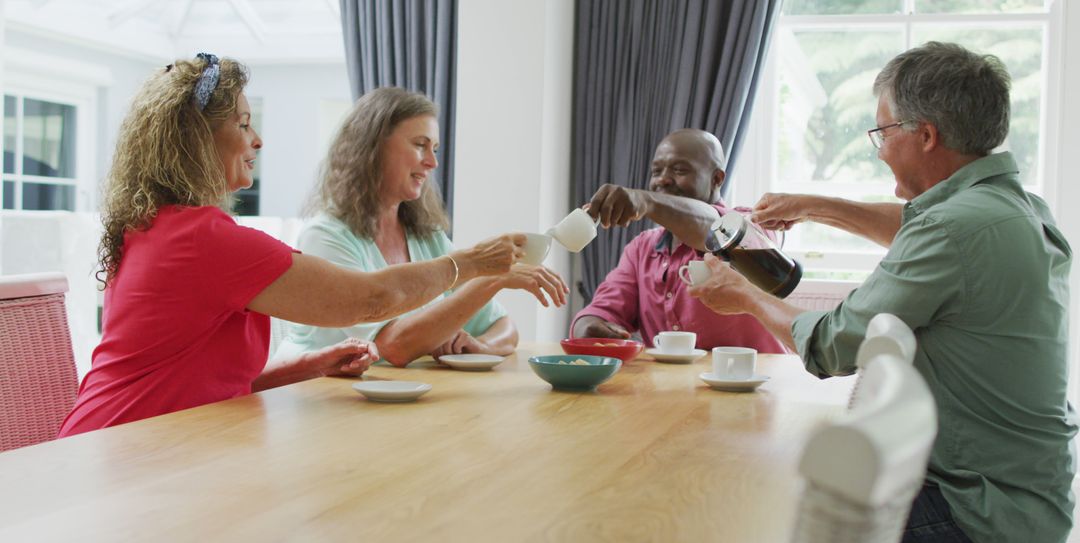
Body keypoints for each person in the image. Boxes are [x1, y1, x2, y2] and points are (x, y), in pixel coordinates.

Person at [688, 42, 1075, 543]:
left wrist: (744, 297)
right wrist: (814, 205)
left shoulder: (952, 229)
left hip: (980, 518)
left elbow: (828, 347)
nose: (878, 147)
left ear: (926, 135)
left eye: (883, 132)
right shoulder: (1017, 208)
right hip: (1030, 505)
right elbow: (922, 225)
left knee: (756, 522)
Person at [59, 55, 525, 437]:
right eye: (243, 124)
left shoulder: (153, 227)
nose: (257, 139)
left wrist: (304, 366)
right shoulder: (205, 239)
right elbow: (370, 299)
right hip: (124, 452)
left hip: (135, 440)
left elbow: (186, 377)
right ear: (196, 141)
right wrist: (472, 262)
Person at [272, 87, 568, 367]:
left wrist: (481, 347)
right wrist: (492, 277)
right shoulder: (325, 237)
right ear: (372, 148)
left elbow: (503, 327)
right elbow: (392, 346)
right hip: (322, 400)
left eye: (435, 148)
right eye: (420, 145)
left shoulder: (427, 238)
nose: (432, 162)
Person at [570, 129, 785, 353]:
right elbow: (604, 310)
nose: (663, 179)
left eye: (680, 170)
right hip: (671, 385)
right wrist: (588, 326)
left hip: (757, 382)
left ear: (717, 179)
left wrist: (647, 201)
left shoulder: (756, 226)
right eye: (656, 171)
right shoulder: (642, 248)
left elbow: (716, 229)